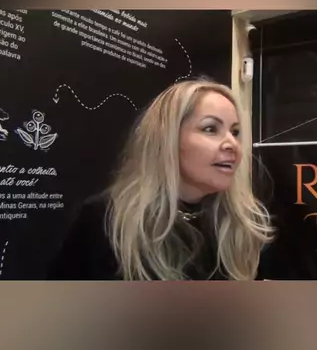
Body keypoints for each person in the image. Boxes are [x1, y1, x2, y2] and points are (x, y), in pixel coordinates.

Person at [47, 79, 273, 280]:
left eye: (235, 132)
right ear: (168, 139)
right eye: (210, 129)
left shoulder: (241, 222)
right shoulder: (107, 219)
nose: (232, 144)